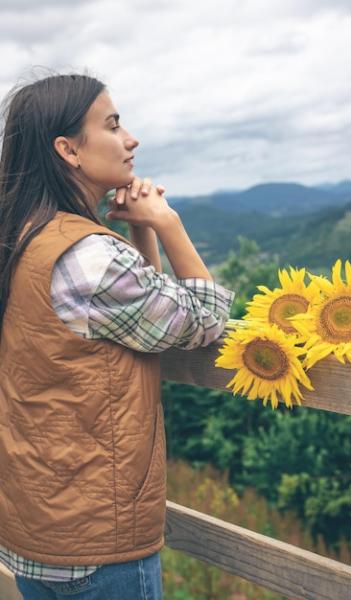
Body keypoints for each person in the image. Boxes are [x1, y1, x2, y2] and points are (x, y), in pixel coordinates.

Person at [0, 70, 234, 600]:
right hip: (96, 542)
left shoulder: (24, 234)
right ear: (68, 149)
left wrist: (138, 230)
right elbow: (203, 321)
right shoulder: (87, 257)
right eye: (112, 124)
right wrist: (168, 222)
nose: (131, 139)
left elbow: (138, 322)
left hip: (34, 526)